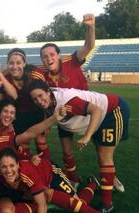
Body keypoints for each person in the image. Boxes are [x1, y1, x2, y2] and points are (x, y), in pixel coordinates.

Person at [29, 80, 130, 213]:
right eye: (35, 99)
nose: (39, 101)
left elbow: (97, 110)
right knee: (67, 150)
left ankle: (107, 202)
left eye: (41, 96)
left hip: (110, 111)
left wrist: (87, 136)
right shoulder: (48, 101)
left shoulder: (67, 102)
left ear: (48, 92)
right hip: (78, 117)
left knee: (104, 155)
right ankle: (74, 179)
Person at [0, 148, 113, 213]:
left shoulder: (26, 172)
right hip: (33, 185)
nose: (8, 170)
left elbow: (42, 205)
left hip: (50, 175)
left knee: (79, 203)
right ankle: (52, 200)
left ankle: (96, 203)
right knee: (13, 208)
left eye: (12, 165)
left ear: (18, 164)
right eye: (4, 167)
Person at [31, 14, 96, 187]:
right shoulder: (41, 72)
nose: (49, 58)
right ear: (42, 60)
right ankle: (72, 179)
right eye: (44, 56)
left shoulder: (71, 61)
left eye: (51, 54)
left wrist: (90, 27)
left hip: (85, 111)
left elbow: (89, 46)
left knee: (101, 146)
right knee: (66, 150)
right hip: (64, 115)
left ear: (58, 55)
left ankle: (109, 175)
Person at [5, 48, 51, 160]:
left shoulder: (35, 74)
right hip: (19, 114)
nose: (15, 66)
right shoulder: (5, 78)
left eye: (18, 63)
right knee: (21, 143)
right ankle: (26, 167)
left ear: (24, 63)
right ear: (7, 64)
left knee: (41, 141)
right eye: (11, 63)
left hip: (36, 111)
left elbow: (45, 96)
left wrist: (47, 120)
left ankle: (46, 167)